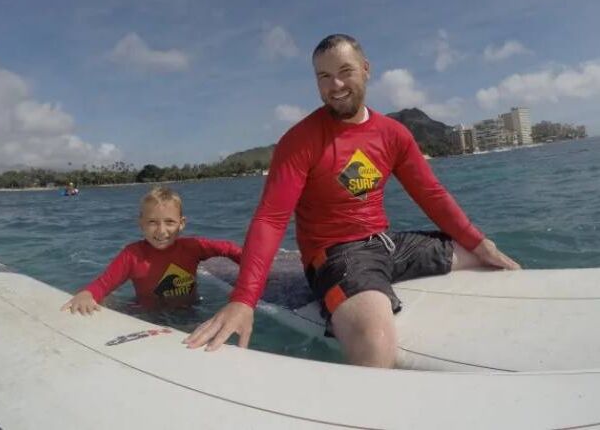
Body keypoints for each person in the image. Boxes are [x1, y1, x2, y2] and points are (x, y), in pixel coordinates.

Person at [185, 34, 520, 368]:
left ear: (366, 69)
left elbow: (431, 195)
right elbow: (271, 219)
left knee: (477, 256)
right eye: (324, 76)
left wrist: (479, 242)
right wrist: (244, 299)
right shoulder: (300, 140)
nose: (336, 84)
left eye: (345, 71)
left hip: (387, 245)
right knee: (377, 343)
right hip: (335, 256)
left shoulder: (393, 134)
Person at [61, 186, 242, 314]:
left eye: (169, 222)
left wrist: (254, 270)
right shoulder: (132, 255)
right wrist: (87, 294)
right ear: (141, 224)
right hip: (146, 315)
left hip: (191, 310)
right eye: (152, 222)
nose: (161, 231)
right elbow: (104, 284)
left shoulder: (193, 247)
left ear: (182, 224)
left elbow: (230, 249)